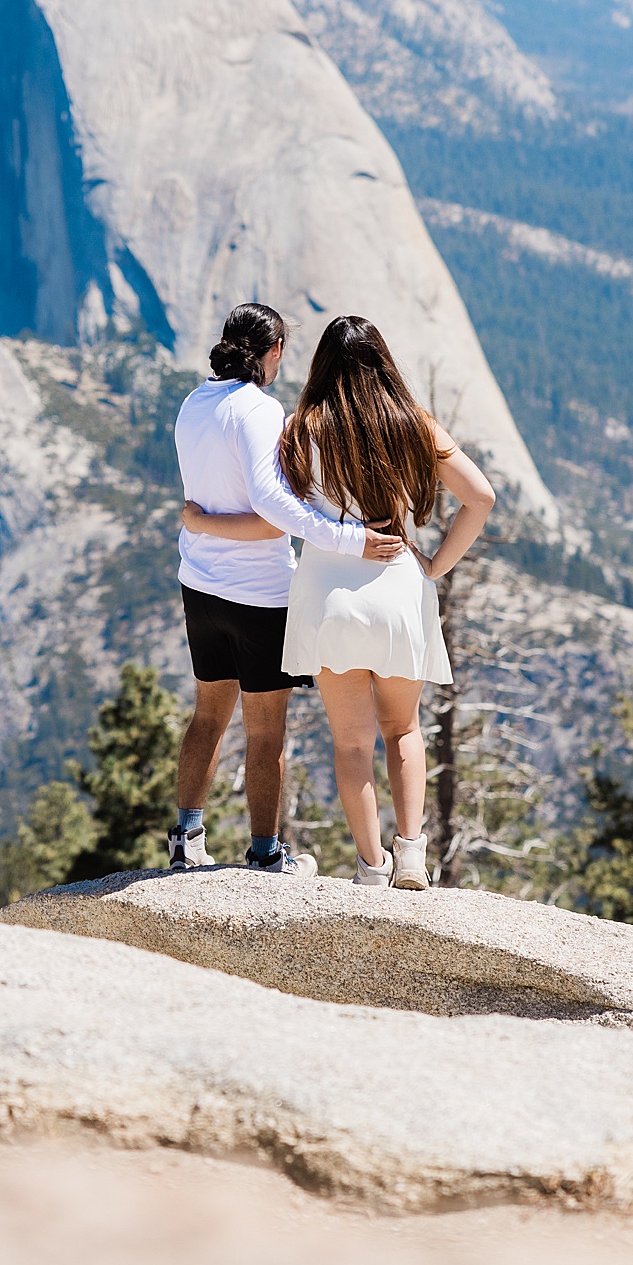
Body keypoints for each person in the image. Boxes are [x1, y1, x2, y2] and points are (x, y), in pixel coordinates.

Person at [182, 315, 493, 890]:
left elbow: (275, 515)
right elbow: (481, 496)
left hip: (328, 599)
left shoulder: (302, 428)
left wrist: (203, 523)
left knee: (351, 743)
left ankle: (370, 868)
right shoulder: (413, 424)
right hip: (399, 587)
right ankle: (411, 857)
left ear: (322, 364)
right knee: (403, 731)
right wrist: (435, 564)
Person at [168, 302, 406, 875]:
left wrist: (200, 525)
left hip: (200, 584)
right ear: (271, 352)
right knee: (265, 727)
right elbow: (272, 506)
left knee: (207, 716)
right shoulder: (259, 409)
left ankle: (186, 836)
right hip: (259, 593)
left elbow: (209, 502)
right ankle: (265, 854)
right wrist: (348, 538)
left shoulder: (193, 403)